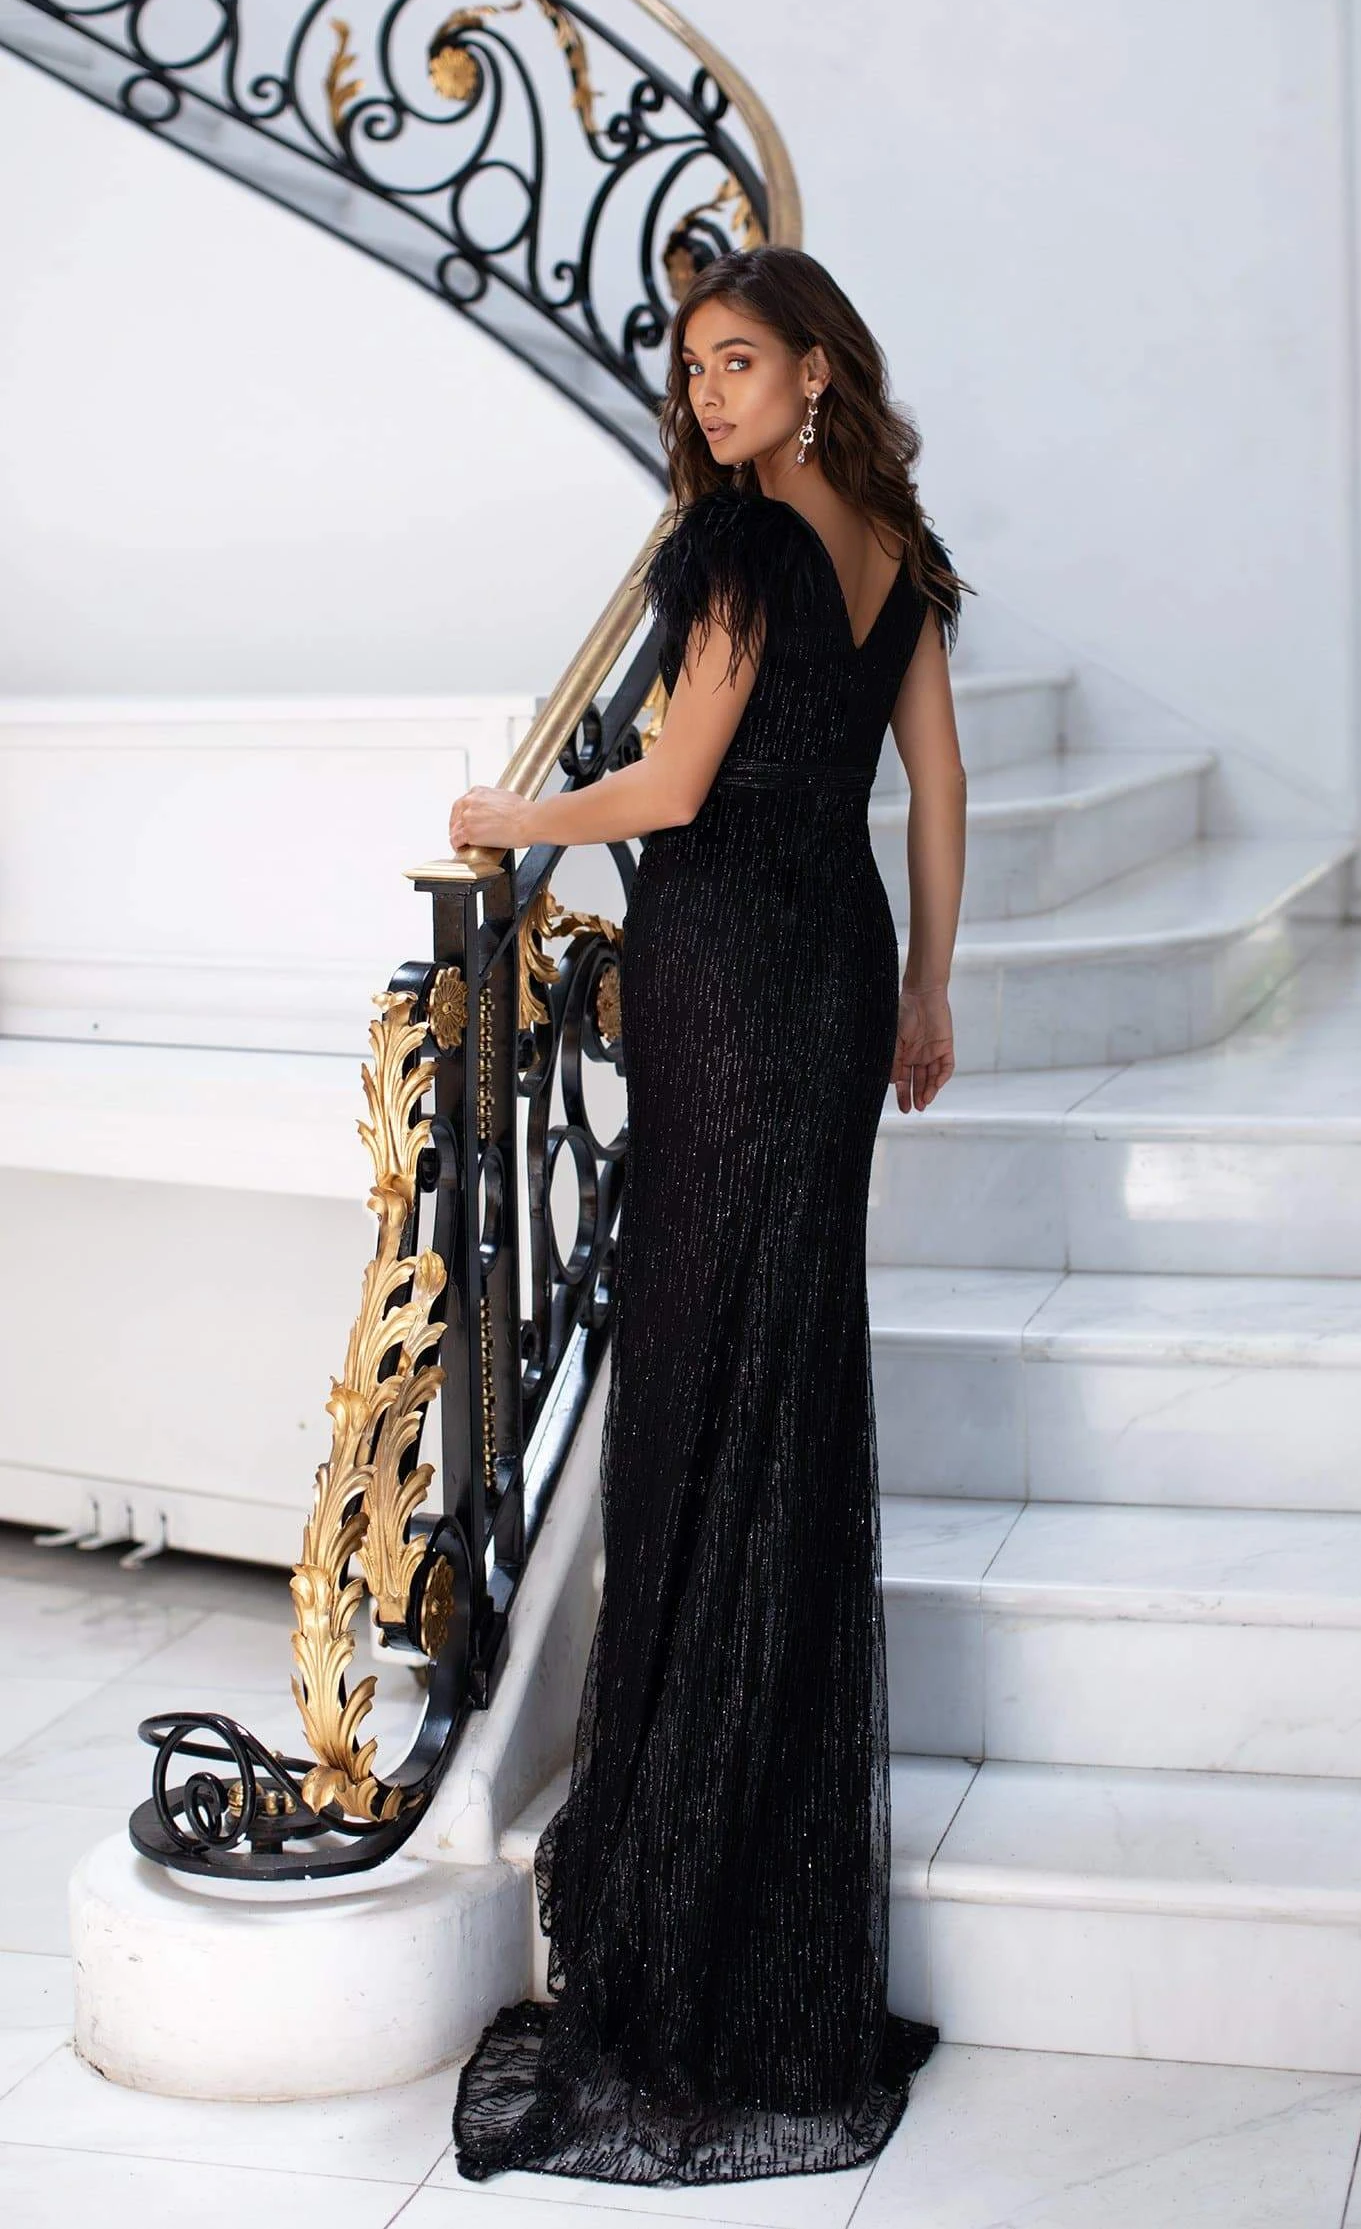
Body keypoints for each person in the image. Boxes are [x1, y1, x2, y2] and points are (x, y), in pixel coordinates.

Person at [445, 244, 970, 2187]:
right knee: (783, 1385)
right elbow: (936, 793)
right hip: (833, 970)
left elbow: (671, 783)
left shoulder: (737, 544)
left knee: (693, 1396)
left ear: (818, 368)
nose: (710, 394)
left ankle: (684, 1898)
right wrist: (930, 986)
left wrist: (510, 820)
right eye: (696, 368)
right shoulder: (901, 556)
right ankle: (767, 1887)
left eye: (741, 361)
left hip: (734, 976)